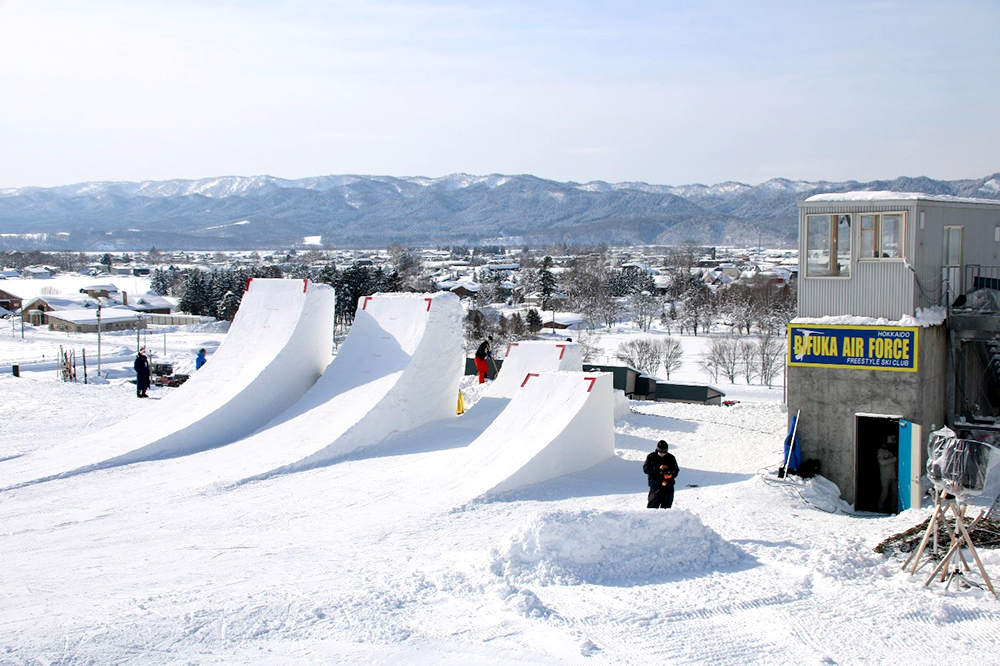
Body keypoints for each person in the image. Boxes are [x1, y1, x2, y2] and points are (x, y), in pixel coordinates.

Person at [644, 440, 680, 508]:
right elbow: (646, 469)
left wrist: (670, 473)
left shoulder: (671, 458)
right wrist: (658, 468)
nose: (663, 454)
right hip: (655, 487)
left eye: (664, 452)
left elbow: (676, 471)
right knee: (652, 509)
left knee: (666, 509)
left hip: (668, 488)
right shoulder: (651, 457)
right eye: (661, 452)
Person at [877, 435, 898, 513]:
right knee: (885, 493)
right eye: (891, 444)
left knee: (895, 494)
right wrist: (894, 459)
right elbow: (881, 462)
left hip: (894, 475)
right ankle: (881, 510)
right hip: (885, 475)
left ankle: (894, 510)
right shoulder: (881, 450)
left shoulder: (894, 450)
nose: (892, 445)